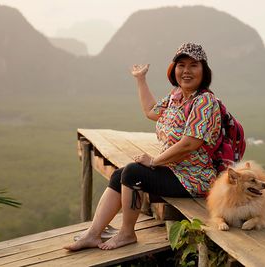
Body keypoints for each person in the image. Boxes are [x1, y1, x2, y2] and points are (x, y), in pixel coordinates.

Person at [64, 42, 221, 251]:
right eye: (181, 65)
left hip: (194, 179)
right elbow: (150, 111)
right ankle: (93, 233)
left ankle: (127, 233)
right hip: (175, 170)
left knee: (133, 173)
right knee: (119, 175)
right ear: (174, 69)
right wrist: (141, 79)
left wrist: (154, 161)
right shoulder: (176, 97)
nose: (186, 71)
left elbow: (190, 144)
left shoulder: (205, 102)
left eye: (193, 65)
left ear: (204, 71)